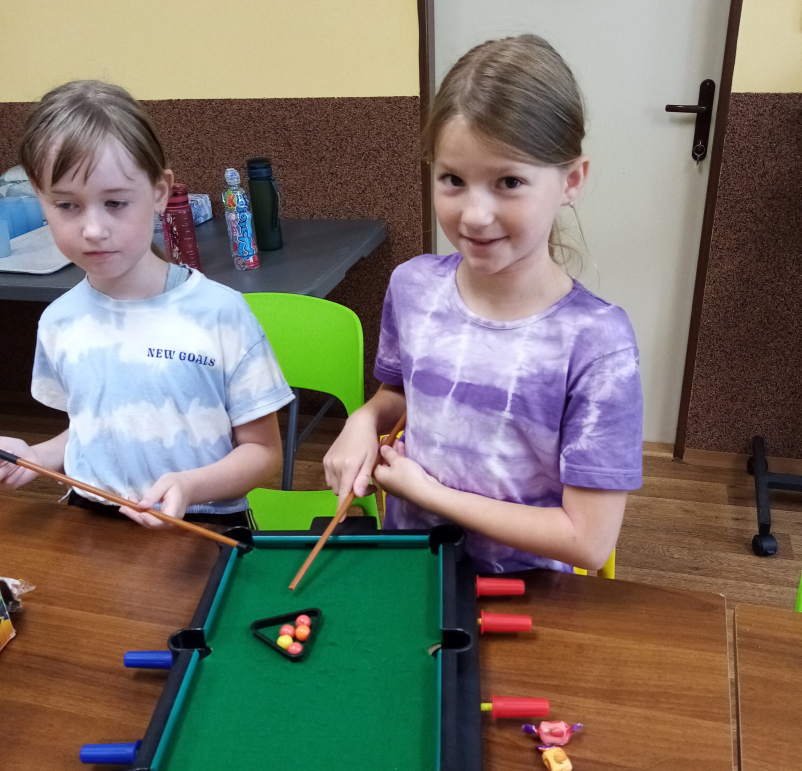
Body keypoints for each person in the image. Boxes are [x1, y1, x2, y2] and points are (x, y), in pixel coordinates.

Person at [324, 35, 642, 574]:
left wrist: (431, 495)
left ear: (571, 180)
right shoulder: (412, 286)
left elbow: (588, 541)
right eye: (453, 179)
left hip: (526, 593)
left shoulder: (597, 342)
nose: (473, 215)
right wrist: (365, 417)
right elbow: (401, 393)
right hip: (412, 571)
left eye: (509, 181)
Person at [0, 80, 293, 528]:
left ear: (159, 193)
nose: (93, 229)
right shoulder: (59, 322)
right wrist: (37, 456)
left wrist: (189, 486)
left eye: (115, 202)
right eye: (67, 205)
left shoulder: (222, 314)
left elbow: (264, 454)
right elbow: (92, 430)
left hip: (202, 522)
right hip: (91, 522)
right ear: (41, 200)